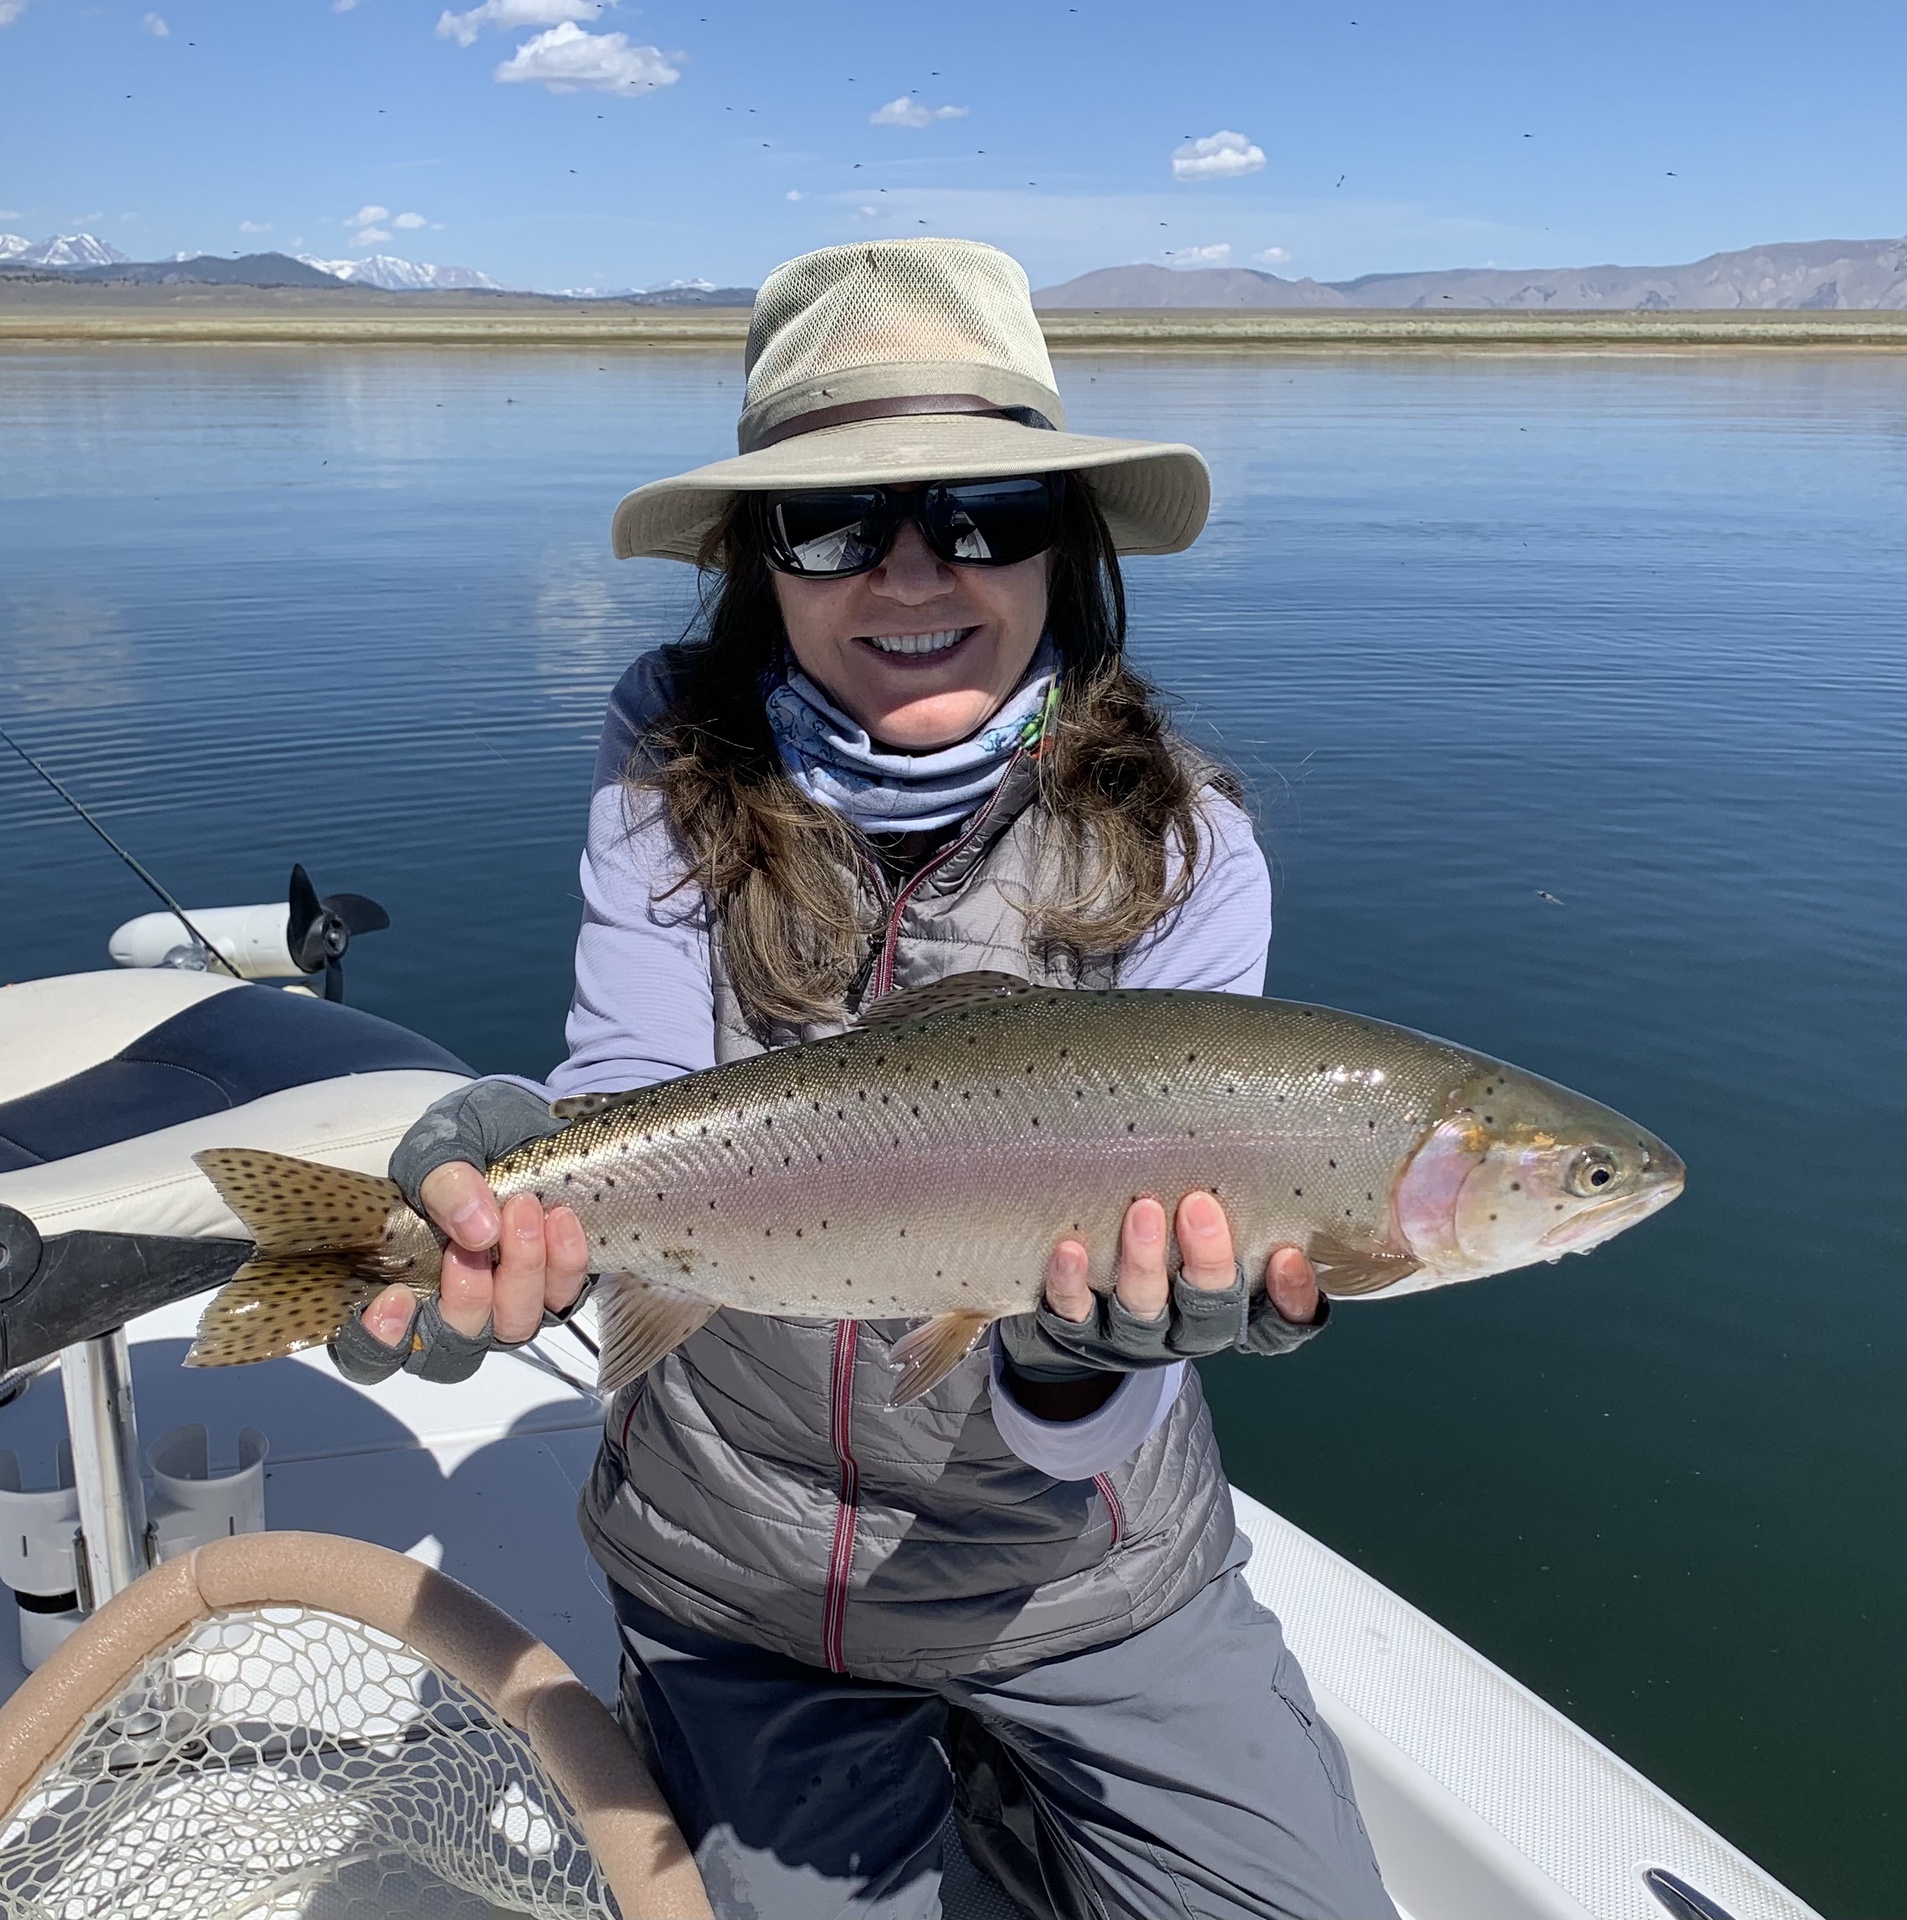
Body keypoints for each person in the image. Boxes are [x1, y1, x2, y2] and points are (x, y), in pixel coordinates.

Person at [333, 239, 1395, 1920]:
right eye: (833, 525)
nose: (912, 576)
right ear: (761, 564)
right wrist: (515, 1190)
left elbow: (1107, 1398)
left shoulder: (1185, 841)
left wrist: (1074, 1356)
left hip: (1089, 1583)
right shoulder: (669, 764)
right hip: (729, 1575)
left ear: (1069, 543)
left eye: (983, 509)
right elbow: (632, 1078)